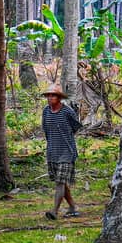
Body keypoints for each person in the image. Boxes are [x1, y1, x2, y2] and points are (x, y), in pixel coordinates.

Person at [41, 83, 82, 220]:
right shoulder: (46, 111)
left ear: (59, 98)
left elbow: (76, 127)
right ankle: (73, 207)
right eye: (48, 95)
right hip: (52, 152)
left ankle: (54, 211)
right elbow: (46, 129)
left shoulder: (67, 111)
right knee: (62, 182)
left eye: (53, 95)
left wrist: (65, 139)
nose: (50, 98)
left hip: (67, 151)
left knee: (60, 182)